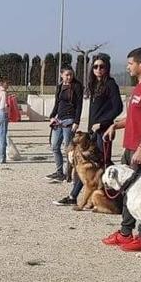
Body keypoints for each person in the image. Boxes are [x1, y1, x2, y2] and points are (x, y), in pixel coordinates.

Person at [101, 47, 141, 252]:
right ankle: (125, 232)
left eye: (130, 64)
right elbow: (133, 117)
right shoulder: (138, 87)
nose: (127, 67)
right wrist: (115, 125)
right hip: (130, 147)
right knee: (128, 193)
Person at [54, 56, 123, 206]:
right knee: (85, 163)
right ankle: (74, 196)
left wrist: (102, 123)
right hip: (92, 131)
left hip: (103, 132)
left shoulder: (111, 85)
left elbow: (118, 108)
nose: (98, 69)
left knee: (102, 165)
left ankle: (114, 195)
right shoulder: (93, 84)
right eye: (95, 66)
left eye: (102, 67)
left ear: (107, 68)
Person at [47, 68, 83, 181]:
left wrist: (76, 121)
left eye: (71, 75)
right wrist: (52, 116)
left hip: (70, 119)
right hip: (59, 119)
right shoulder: (60, 86)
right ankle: (59, 172)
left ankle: (70, 174)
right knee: (54, 146)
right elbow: (57, 102)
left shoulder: (77, 86)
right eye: (67, 75)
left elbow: (79, 105)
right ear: (61, 75)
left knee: (68, 149)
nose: (69, 77)